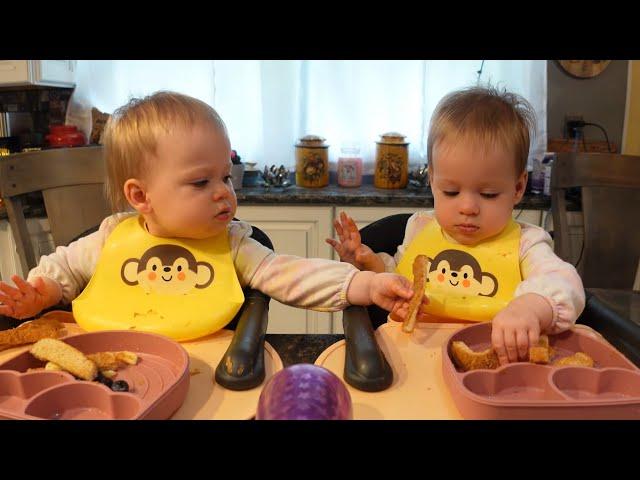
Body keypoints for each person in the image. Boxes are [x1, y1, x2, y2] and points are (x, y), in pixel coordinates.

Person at [0, 91, 415, 339]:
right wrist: (44, 291)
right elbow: (65, 267)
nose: (224, 194)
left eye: (226, 178)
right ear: (141, 195)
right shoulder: (111, 236)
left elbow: (291, 275)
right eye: (201, 183)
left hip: (203, 368)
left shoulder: (232, 245)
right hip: (114, 359)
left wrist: (367, 283)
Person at [328, 85, 585, 366]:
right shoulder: (420, 227)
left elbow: (564, 282)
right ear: (433, 182)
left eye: (488, 195)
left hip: (494, 363)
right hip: (413, 359)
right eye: (451, 192)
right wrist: (370, 263)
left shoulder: (526, 244)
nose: (467, 208)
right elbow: (403, 282)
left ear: (518, 187)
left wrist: (532, 308)